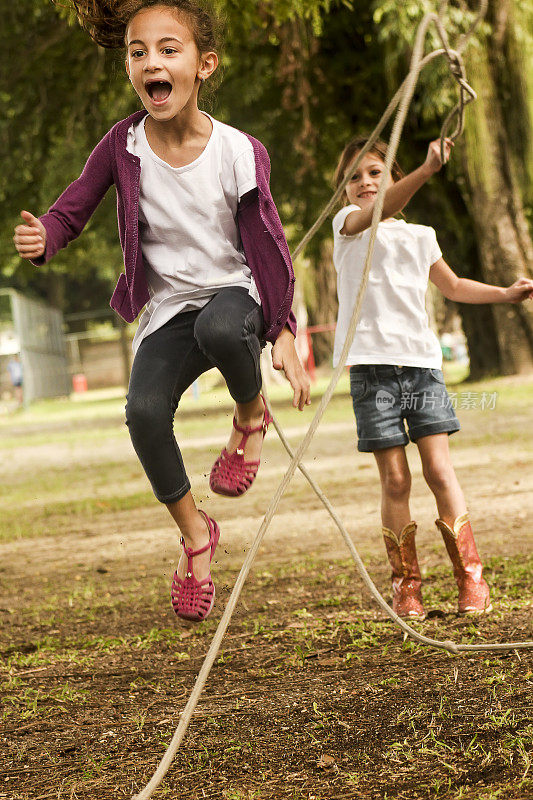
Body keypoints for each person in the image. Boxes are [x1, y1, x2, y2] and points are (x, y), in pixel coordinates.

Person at [13, 0, 310, 623]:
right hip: (168, 308)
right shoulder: (122, 147)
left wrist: (282, 328)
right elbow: (73, 208)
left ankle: (250, 415)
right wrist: (47, 236)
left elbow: (267, 241)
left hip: (234, 293)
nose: (152, 62)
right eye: (138, 52)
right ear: (128, 67)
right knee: (143, 413)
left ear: (203, 66)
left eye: (168, 50)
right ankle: (196, 535)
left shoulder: (236, 150)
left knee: (222, 325)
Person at [331, 135, 533, 619]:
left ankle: (471, 579)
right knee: (395, 480)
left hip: (421, 369)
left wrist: (506, 294)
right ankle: (407, 587)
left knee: (439, 471)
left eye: (376, 172)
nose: (365, 183)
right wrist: (426, 171)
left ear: (393, 176)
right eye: (354, 177)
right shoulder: (347, 227)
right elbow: (374, 212)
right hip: (373, 373)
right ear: (343, 194)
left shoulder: (420, 236)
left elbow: (455, 285)